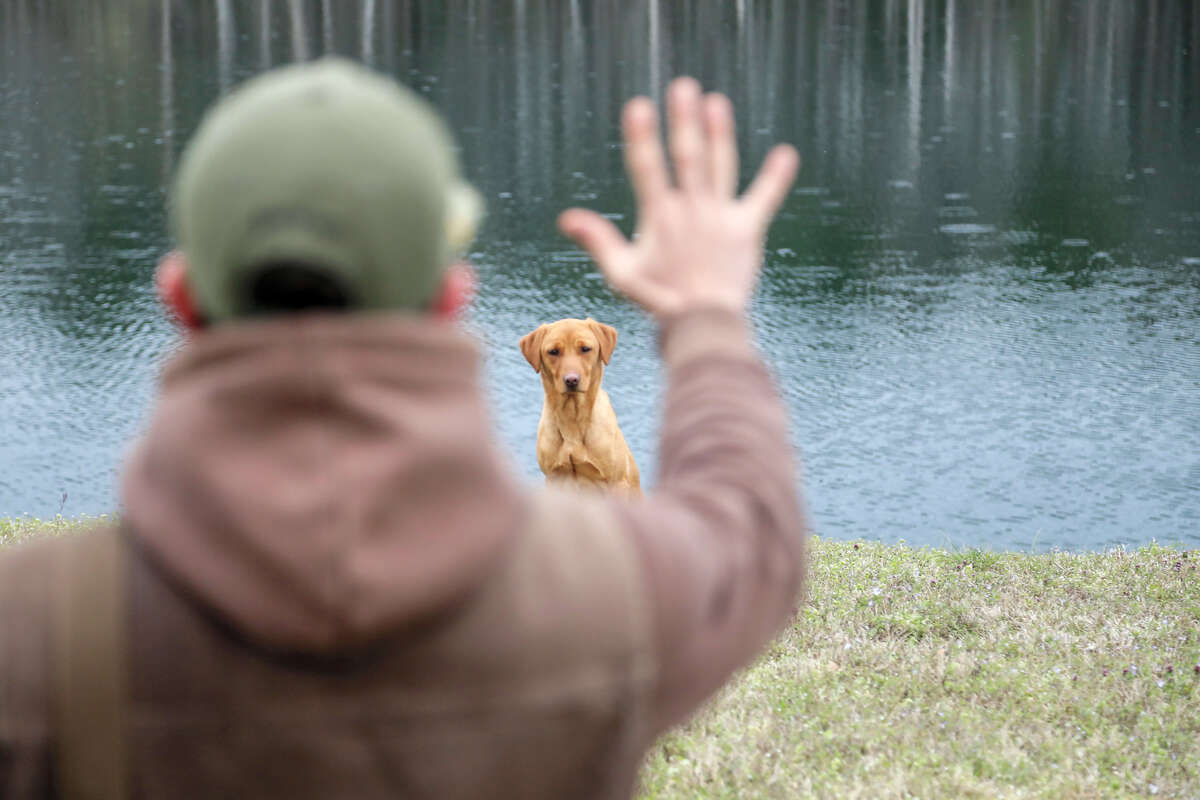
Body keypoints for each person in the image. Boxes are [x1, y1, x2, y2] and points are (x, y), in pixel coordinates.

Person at [0, 58, 805, 799]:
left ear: (178, 298)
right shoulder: (608, 597)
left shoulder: (31, 634)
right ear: (453, 296)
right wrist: (704, 316)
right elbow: (752, 535)